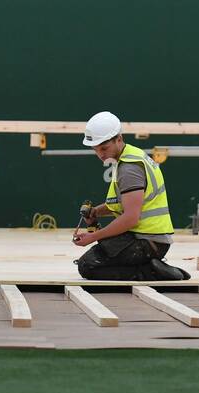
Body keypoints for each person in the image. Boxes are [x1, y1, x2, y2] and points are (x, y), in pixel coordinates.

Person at [72, 111, 190, 281]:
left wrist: (93, 236)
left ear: (119, 139)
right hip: (144, 237)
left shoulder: (129, 169)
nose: (100, 155)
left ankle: (151, 271)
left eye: (104, 148)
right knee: (104, 248)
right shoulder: (129, 156)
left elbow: (130, 218)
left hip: (148, 242)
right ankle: (152, 266)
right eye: (96, 149)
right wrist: (96, 213)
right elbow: (125, 204)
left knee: (88, 265)